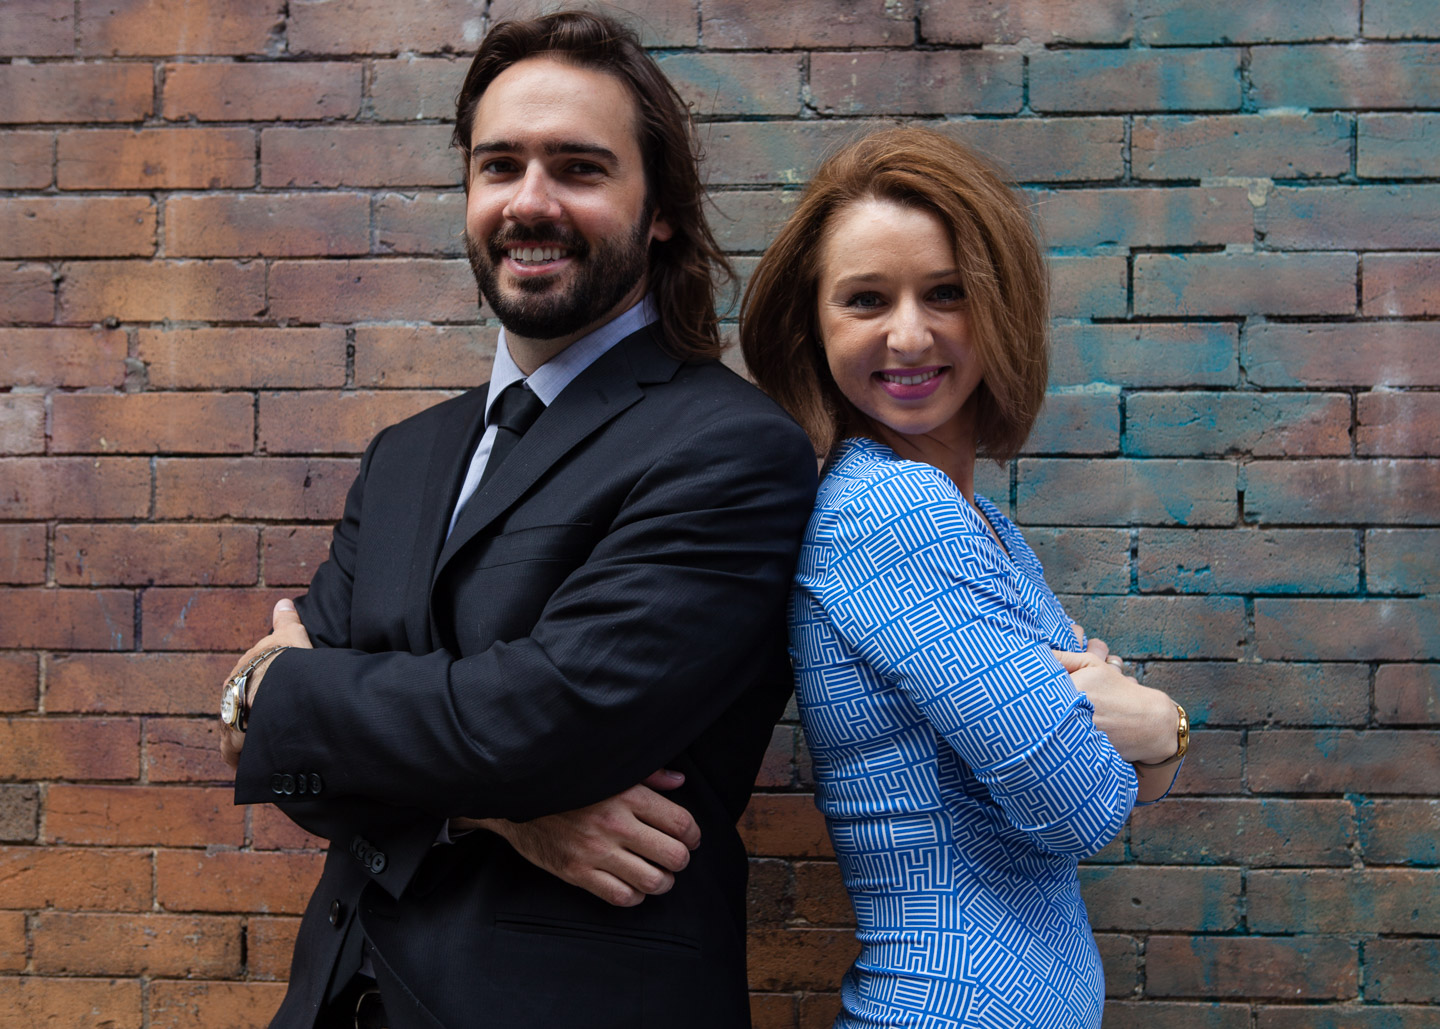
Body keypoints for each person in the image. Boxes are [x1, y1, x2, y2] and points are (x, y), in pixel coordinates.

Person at [216, 11, 817, 1028]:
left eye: (578, 168)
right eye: (500, 166)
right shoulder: (405, 457)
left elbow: (546, 723)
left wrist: (284, 689)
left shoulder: (732, 447)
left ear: (661, 211)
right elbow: (290, 768)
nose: (529, 202)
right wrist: (490, 812)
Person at [740, 127, 1186, 1028]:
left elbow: (1118, 778)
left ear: (998, 306)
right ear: (815, 324)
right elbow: (1084, 806)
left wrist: (1142, 734)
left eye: (946, 292)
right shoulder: (892, 510)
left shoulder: (985, 524)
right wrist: (1159, 721)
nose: (910, 335)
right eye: (866, 299)